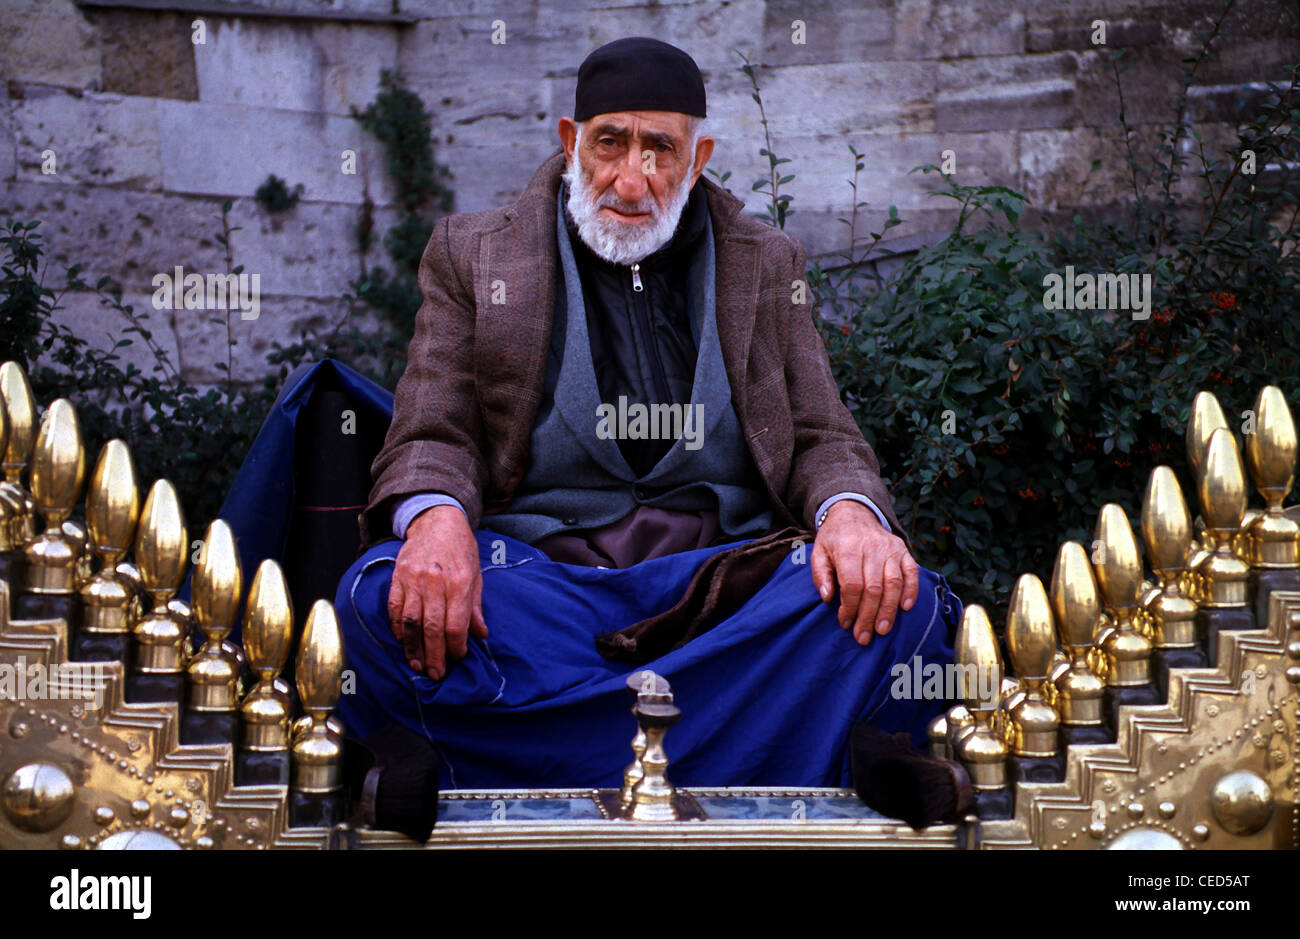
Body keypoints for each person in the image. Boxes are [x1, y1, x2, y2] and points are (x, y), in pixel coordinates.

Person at [336, 37, 961, 797]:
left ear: (697, 160)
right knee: (377, 598)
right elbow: (432, 431)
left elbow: (822, 436)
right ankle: (806, 757)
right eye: (610, 143)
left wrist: (852, 517)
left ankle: (498, 770)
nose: (632, 180)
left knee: (902, 598)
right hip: (541, 588)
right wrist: (437, 525)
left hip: (721, 591)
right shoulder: (474, 256)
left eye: (660, 150)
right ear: (572, 143)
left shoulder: (765, 263)